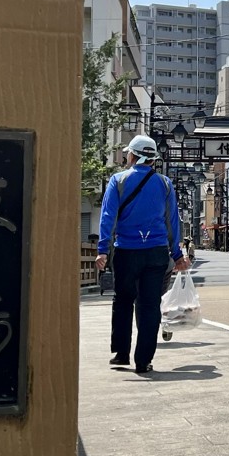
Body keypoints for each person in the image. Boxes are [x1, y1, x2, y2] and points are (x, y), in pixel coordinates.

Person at [95, 135, 190, 375]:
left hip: (127, 250)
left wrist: (103, 249)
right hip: (157, 252)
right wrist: (177, 254)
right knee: (150, 305)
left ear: (133, 155)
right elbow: (172, 222)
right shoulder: (165, 184)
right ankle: (144, 360)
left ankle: (121, 353)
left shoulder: (118, 180)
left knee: (123, 300)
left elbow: (108, 217)